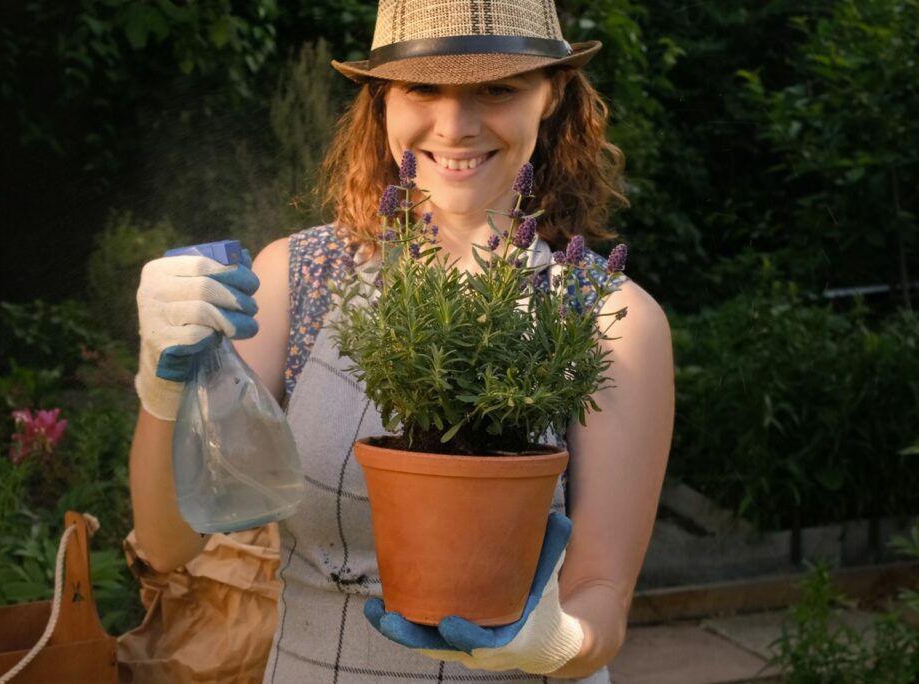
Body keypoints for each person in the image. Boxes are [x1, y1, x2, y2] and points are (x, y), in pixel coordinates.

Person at [129, 0, 674, 681]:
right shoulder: (298, 280)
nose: (455, 125)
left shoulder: (608, 318)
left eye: (496, 89)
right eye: (423, 87)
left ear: (551, 94)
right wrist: (161, 383)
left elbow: (602, 599)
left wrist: (559, 642)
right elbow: (166, 541)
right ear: (383, 98)